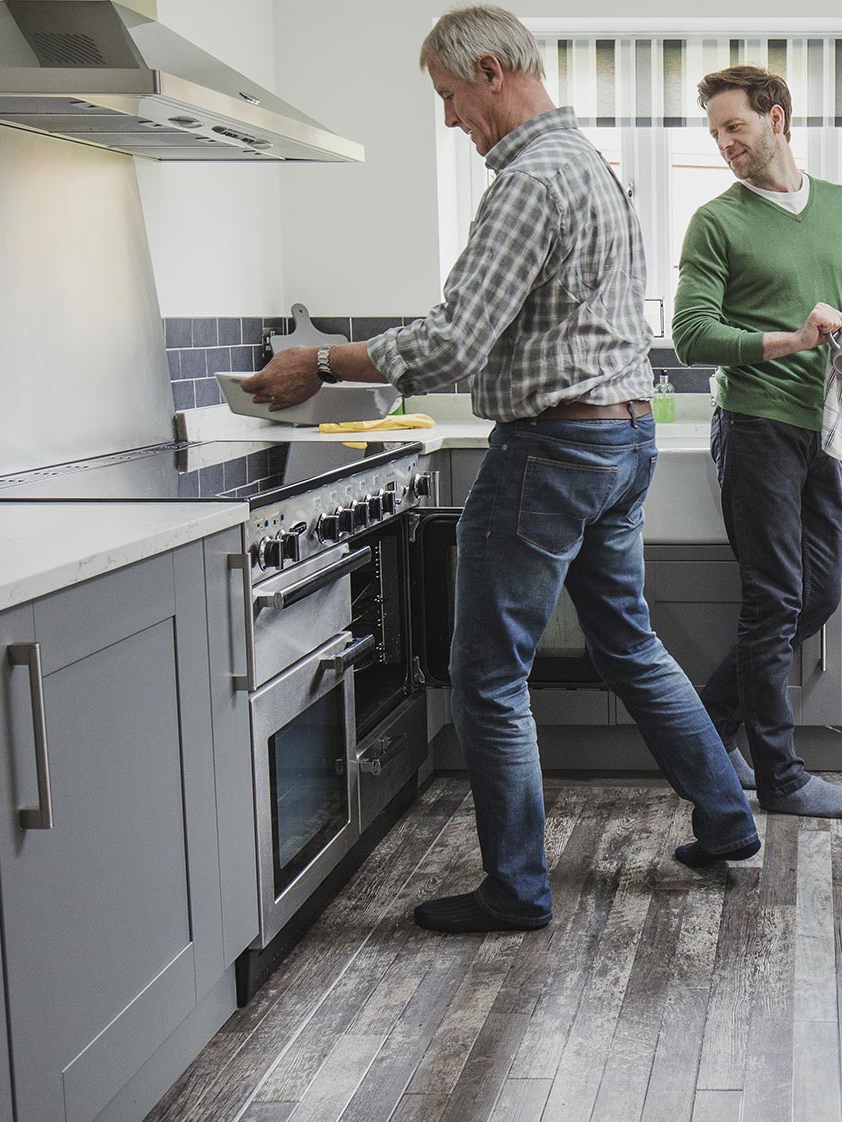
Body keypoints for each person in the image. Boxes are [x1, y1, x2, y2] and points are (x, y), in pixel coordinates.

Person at [240, 5, 760, 935]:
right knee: (629, 644)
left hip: (554, 450)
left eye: (447, 96)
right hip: (620, 437)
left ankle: (516, 887)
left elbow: (454, 339)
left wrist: (319, 362)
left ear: (489, 70)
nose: (448, 119)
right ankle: (729, 823)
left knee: (486, 672)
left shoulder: (530, 181)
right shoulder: (594, 169)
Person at [670, 65, 842, 819]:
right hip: (756, 423)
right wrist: (791, 339)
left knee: (816, 592)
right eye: (716, 133)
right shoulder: (716, 222)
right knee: (773, 601)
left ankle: (700, 732)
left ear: (778, 118)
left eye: (734, 126)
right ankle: (782, 777)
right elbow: (692, 335)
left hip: (824, 424)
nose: (725, 143)